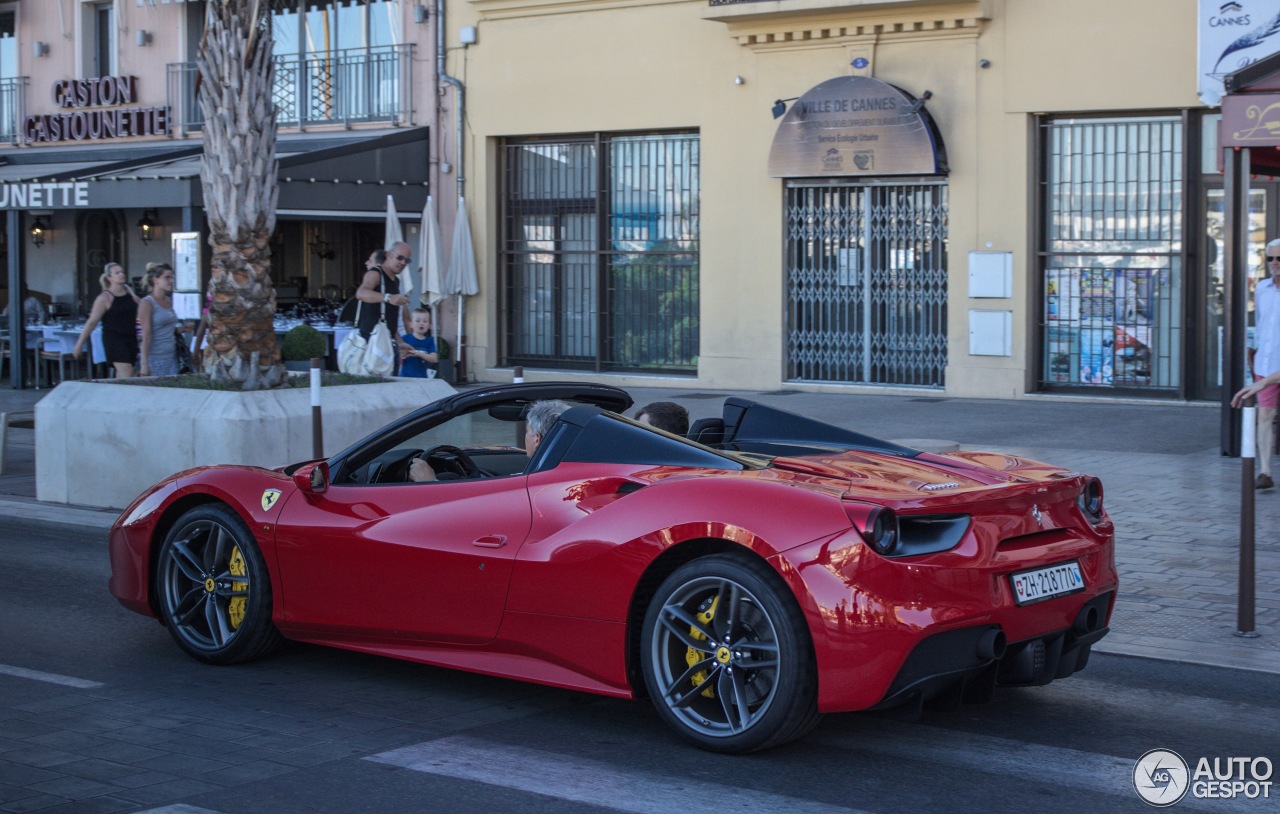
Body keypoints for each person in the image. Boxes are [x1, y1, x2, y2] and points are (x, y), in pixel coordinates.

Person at [409, 399, 572, 482]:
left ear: (537, 439)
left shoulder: (531, 483)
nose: (525, 437)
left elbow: (470, 516)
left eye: (527, 432)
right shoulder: (573, 475)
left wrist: (431, 481)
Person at [1249, 239, 1280, 489]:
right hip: (1267, 364)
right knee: (1265, 415)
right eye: (1270, 258)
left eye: (1279, 258)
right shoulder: (1261, 288)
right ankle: (1266, 472)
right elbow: (1260, 323)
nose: (1274, 263)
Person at [72, 262, 139, 379]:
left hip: (131, 337)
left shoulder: (130, 292)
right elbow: (92, 322)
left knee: (129, 371)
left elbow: (137, 315)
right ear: (109, 277)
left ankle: (118, 395)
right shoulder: (104, 298)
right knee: (126, 371)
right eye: (117, 273)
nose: (121, 274)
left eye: (122, 272)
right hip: (114, 338)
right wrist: (79, 344)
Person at [355, 242, 411, 342]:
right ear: (389, 255)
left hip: (388, 342)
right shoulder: (375, 273)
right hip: (371, 342)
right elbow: (361, 293)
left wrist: (400, 342)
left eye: (407, 260)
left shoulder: (396, 281)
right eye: (400, 258)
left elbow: (390, 319)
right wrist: (388, 297)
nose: (403, 263)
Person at [137, 262, 181, 377]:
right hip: (155, 357)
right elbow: (146, 334)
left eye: (172, 277)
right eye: (167, 277)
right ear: (156, 280)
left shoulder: (168, 301)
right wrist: (144, 363)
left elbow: (167, 328)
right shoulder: (147, 303)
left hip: (171, 356)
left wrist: (182, 329)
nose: (171, 281)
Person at [399, 308, 438, 378]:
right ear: (411, 324)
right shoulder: (405, 339)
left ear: (429, 325)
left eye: (425, 321)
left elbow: (434, 358)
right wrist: (403, 354)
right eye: (417, 321)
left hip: (422, 378)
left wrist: (419, 354)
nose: (421, 323)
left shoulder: (429, 341)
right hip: (405, 377)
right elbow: (398, 355)